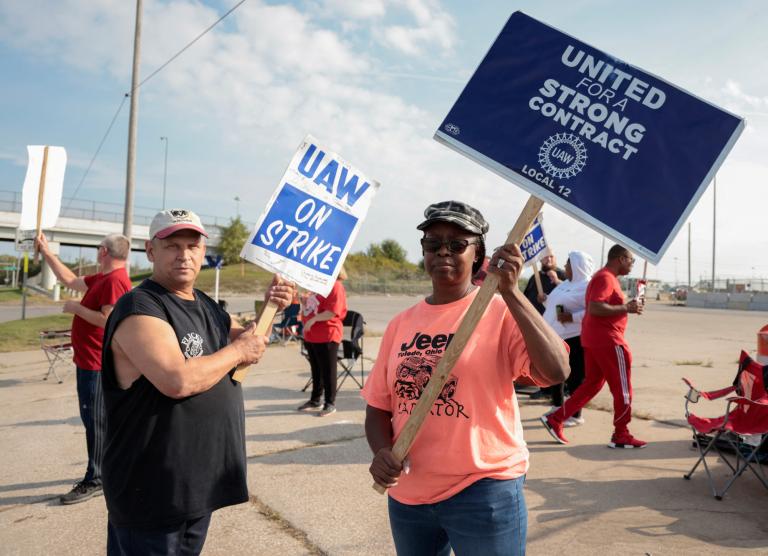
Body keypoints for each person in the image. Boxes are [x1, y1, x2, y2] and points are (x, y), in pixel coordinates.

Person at [362, 200, 569, 555]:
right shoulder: (400, 324)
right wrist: (382, 452)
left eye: (458, 244)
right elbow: (379, 407)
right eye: (433, 243)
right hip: (410, 497)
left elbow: (556, 371)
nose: (443, 251)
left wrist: (511, 292)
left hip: (483, 491)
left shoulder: (501, 311)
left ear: (478, 255)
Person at [100, 209, 294, 555]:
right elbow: (177, 380)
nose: (184, 255)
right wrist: (239, 350)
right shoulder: (140, 307)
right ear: (150, 250)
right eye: (172, 245)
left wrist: (271, 307)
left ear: (203, 252)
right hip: (151, 493)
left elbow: (249, 340)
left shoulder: (205, 304)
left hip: (193, 489)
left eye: (192, 245)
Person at [35, 232, 132, 505]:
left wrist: (76, 308)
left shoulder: (114, 280)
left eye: (97, 249)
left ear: (103, 251)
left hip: (97, 364)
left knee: (96, 422)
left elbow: (107, 321)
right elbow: (68, 279)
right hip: (88, 361)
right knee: (97, 420)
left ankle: (97, 478)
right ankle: (107, 471)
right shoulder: (103, 278)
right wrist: (46, 251)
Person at [541, 244, 646, 448]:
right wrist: (627, 307)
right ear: (621, 258)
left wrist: (627, 306)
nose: (632, 265)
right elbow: (595, 308)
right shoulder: (606, 277)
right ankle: (621, 433)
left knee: (592, 384)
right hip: (608, 340)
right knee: (622, 388)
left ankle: (556, 419)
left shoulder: (603, 278)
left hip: (595, 338)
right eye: (631, 261)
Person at [541, 251, 594, 427]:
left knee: (575, 378)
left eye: (568, 264)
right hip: (555, 336)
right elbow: (554, 305)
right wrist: (545, 300)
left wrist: (573, 317)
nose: (564, 267)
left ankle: (576, 415)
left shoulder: (587, 286)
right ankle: (557, 406)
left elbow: (594, 310)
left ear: (577, 267)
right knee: (556, 374)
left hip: (574, 338)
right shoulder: (565, 284)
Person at [297, 266, 348, 417]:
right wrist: (304, 302)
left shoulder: (335, 286)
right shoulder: (318, 286)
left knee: (328, 370)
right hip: (312, 335)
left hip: (327, 334)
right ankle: (315, 400)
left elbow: (332, 311)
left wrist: (313, 320)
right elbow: (314, 307)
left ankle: (330, 402)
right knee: (316, 370)